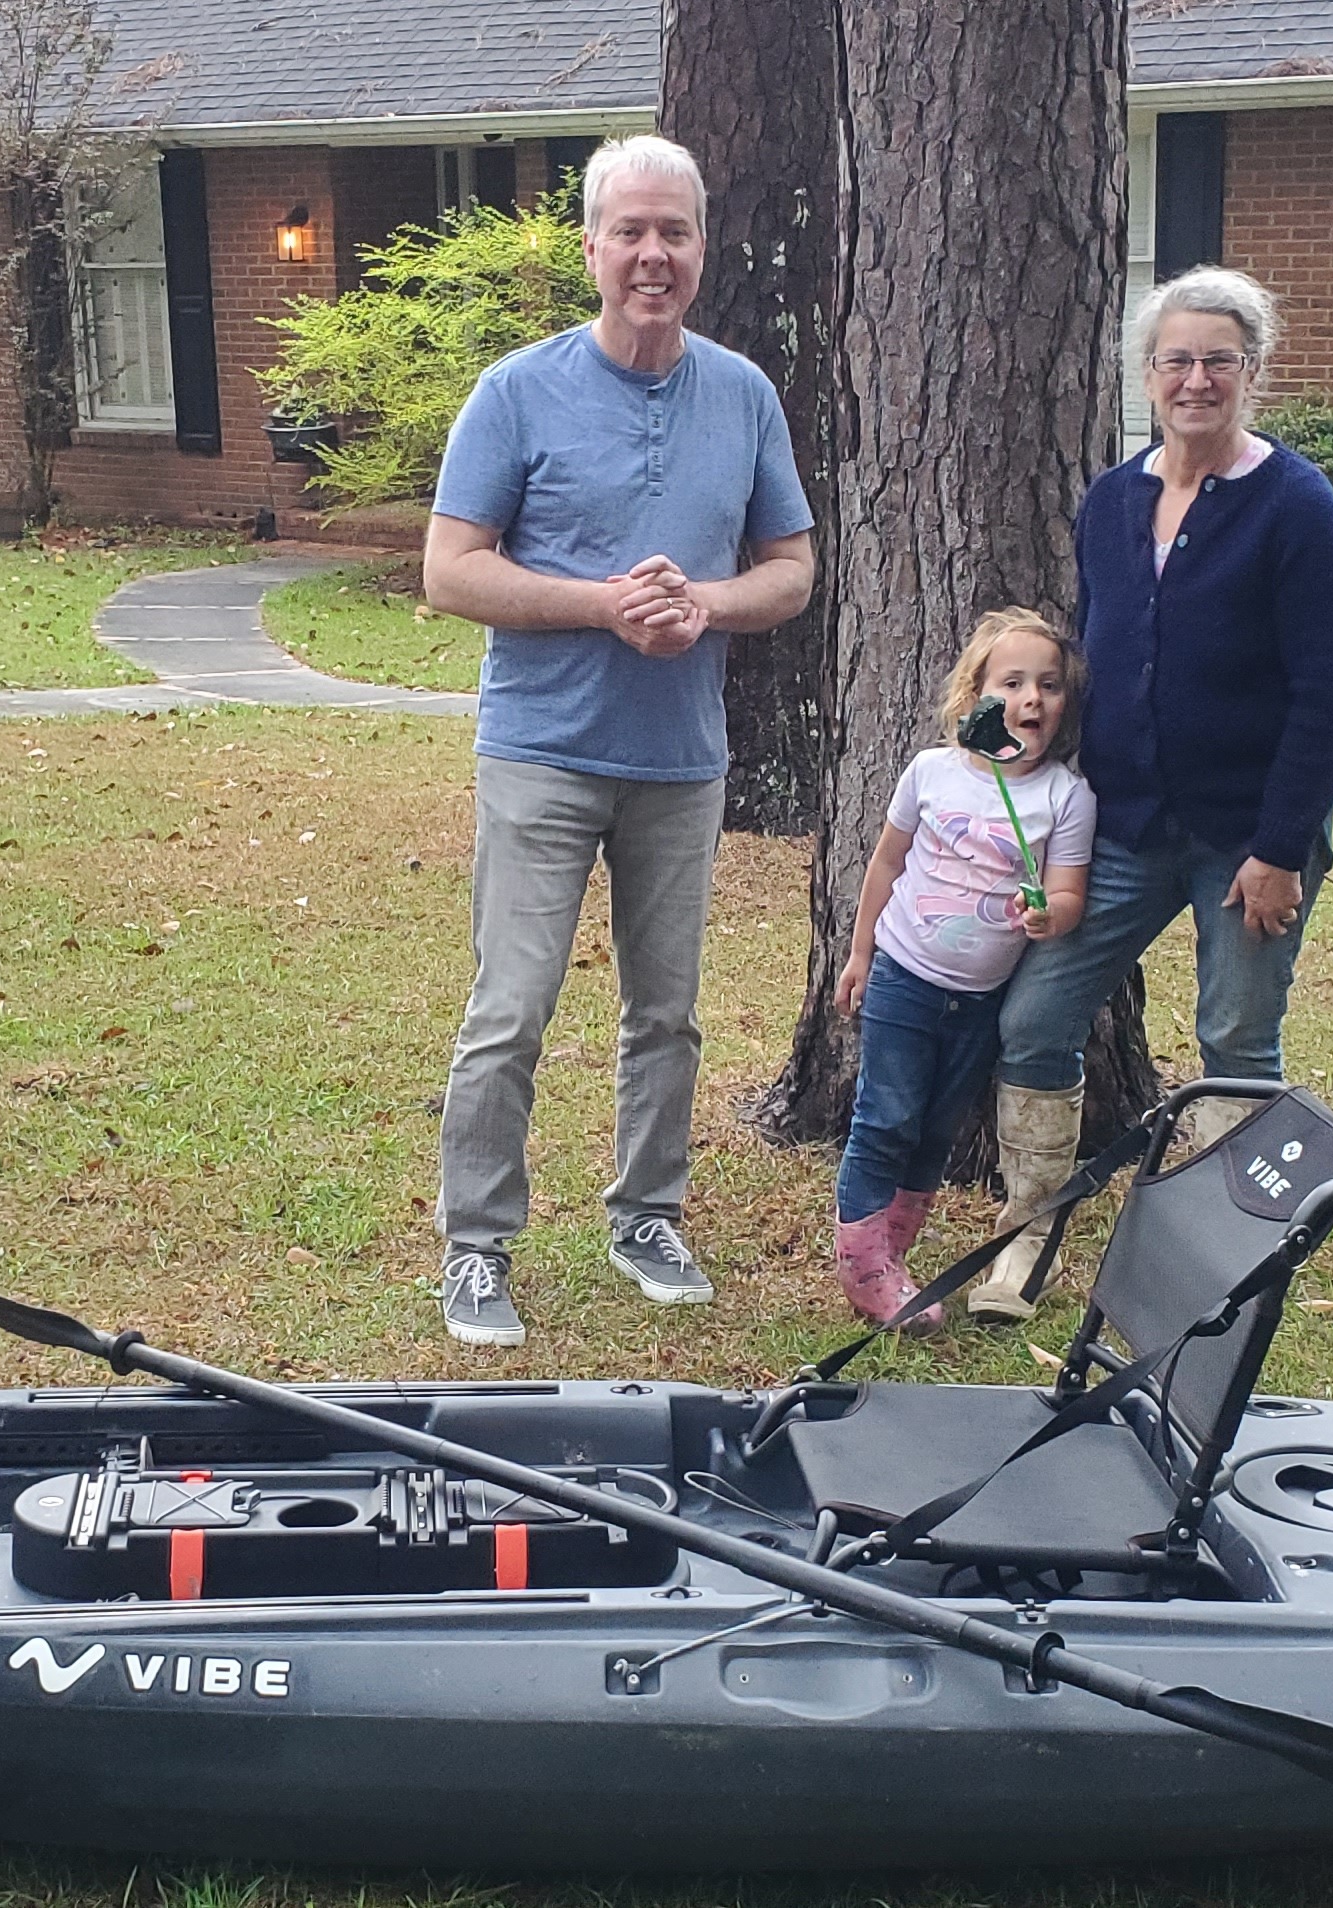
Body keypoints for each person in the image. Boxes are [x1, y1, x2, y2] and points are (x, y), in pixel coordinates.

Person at [419, 134, 819, 1349]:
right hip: (542, 747)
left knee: (669, 1013)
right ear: (591, 246)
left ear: (704, 246)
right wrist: (605, 603)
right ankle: (476, 1244)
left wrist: (705, 605)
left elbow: (791, 571)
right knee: (513, 1007)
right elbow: (449, 571)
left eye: (676, 232)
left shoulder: (743, 394)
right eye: (630, 232)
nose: (654, 255)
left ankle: (647, 1214)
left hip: (680, 760)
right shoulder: (517, 392)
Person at [970, 266, 1333, 1324]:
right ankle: (1026, 1234)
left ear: (1252, 372)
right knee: (1036, 1019)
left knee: (1238, 1042)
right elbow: (1101, 660)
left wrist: (1282, 845)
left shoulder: (1294, 506)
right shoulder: (1113, 500)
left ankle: (1233, 1263)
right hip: (1124, 827)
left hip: (1250, 836)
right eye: (1177, 360)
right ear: (1147, 376)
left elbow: (1332, 692)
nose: (1197, 379)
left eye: (1218, 361)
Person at [827, 609, 1094, 1328]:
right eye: (1011, 682)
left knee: (938, 1127)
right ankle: (863, 1262)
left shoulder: (1065, 797)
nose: (1031, 698)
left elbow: (1067, 890)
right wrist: (860, 954)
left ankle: (894, 1252)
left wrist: (1052, 917)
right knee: (887, 1117)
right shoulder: (932, 773)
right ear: (974, 694)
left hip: (980, 998)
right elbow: (886, 862)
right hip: (905, 977)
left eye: (1049, 685)